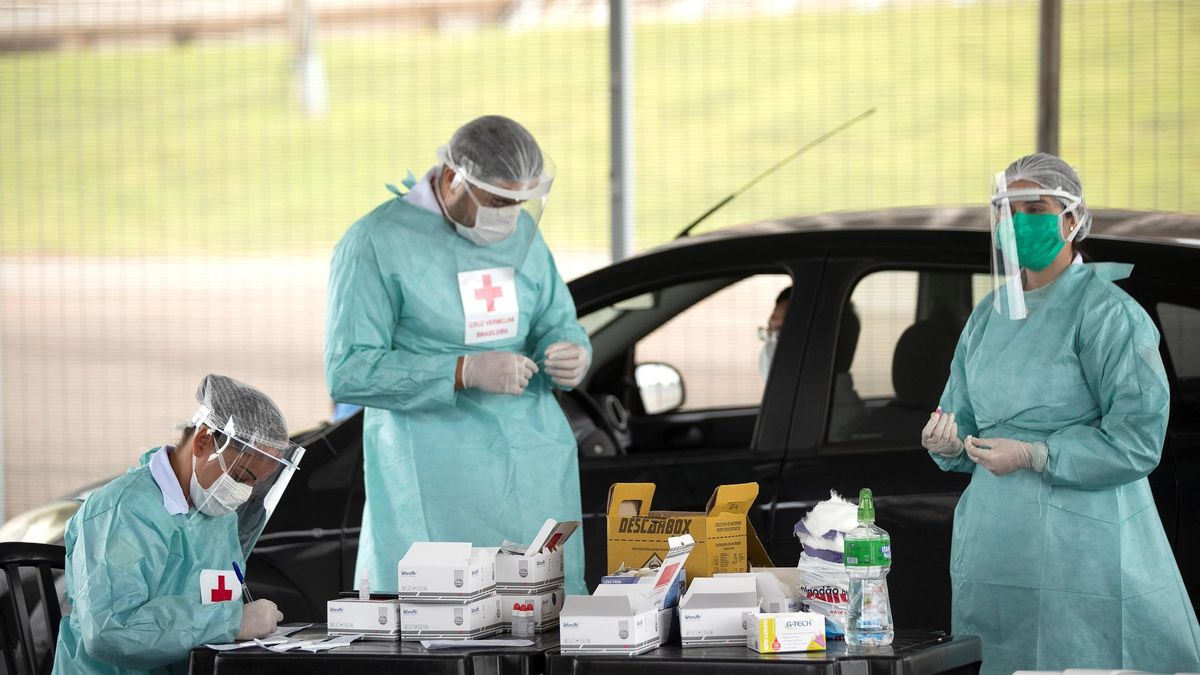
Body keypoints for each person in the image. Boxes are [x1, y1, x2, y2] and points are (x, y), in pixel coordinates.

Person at [921, 153, 1200, 673]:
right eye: (1007, 209)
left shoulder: (1108, 314)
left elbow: (1138, 440)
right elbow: (963, 422)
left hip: (1087, 548)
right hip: (998, 544)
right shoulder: (988, 317)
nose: (1018, 220)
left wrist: (1036, 454)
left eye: (1036, 206)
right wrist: (950, 443)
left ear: (1072, 219)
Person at [324, 116, 591, 595]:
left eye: (519, 202)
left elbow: (555, 316)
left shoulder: (520, 233)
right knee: (446, 621)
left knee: (541, 617)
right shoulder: (376, 243)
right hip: (433, 475)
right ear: (452, 180)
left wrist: (571, 351)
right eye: (497, 202)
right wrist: (459, 371)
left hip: (531, 468)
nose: (509, 216)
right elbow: (349, 371)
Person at [53, 374, 306, 674]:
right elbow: (110, 631)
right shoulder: (122, 511)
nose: (242, 493)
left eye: (254, 485)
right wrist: (229, 622)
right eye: (240, 477)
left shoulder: (217, 516)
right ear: (202, 442)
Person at [759, 287, 865, 440]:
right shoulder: (798, 409)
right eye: (769, 332)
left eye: (780, 333)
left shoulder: (824, 430)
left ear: (820, 344)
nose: (769, 345)